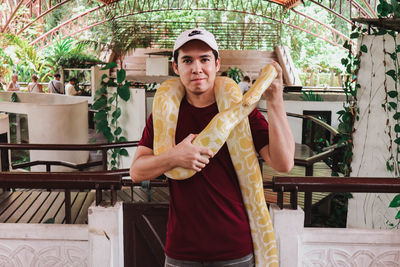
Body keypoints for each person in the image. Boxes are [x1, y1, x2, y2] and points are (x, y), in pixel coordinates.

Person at [130, 28, 294, 266]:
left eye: (204, 59)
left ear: (217, 64)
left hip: (234, 250)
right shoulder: (165, 113)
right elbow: (136, 172)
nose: (197, 68)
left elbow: (284, 162)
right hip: (181, 251)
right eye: (187, 60)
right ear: (176, 67)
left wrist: (275, 100)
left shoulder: (241, 111)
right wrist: (175, 156)